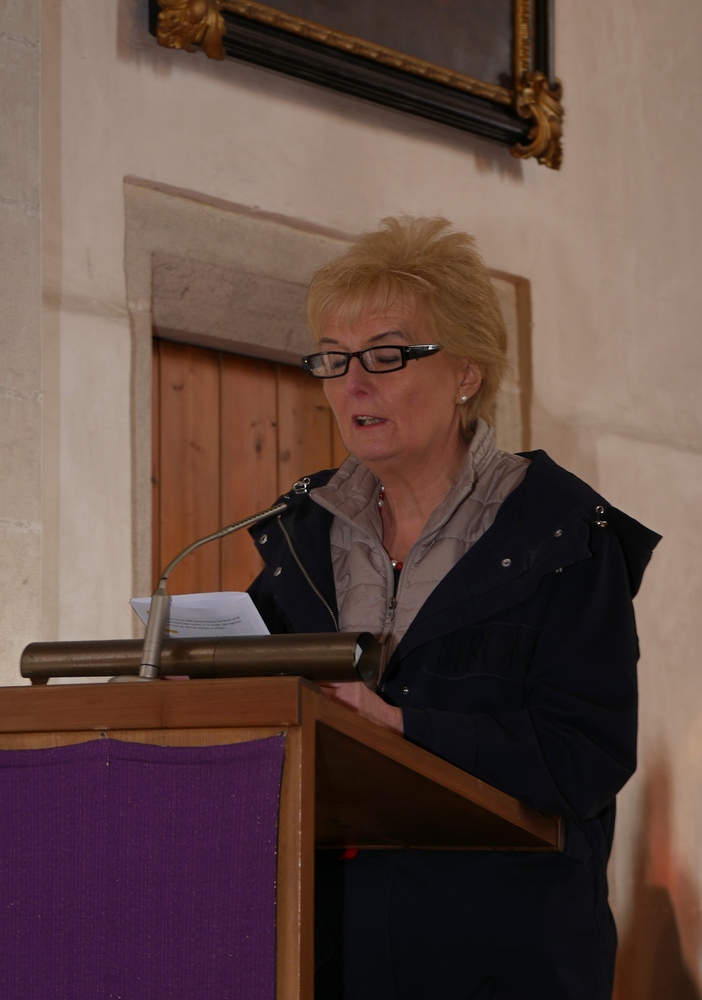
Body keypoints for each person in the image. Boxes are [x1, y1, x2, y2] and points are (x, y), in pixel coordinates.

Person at [247, 217, 660, 1000]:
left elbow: (585, 754)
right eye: (334, 359)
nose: (352, 385)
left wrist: (405, 726)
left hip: (503, 962)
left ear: (465, 373)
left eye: (385, 356)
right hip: (325, 956)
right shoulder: (300, 536)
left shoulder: (562, 536)